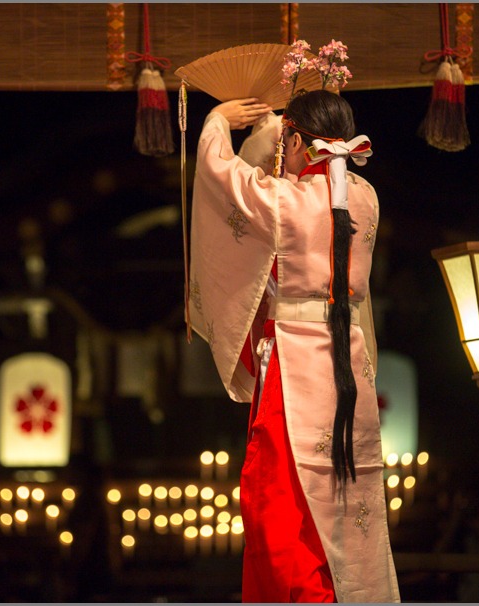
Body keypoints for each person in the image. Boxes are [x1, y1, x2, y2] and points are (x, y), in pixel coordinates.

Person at [188, 90, 399, 602]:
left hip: (296, 364)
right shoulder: (366, 198)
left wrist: (218, 122)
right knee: (344, 502)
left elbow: (223, 177)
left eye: (288, 140)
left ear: (298, 139)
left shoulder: (284, 201)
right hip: (348, 361)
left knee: (279, 506)